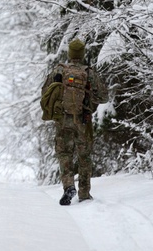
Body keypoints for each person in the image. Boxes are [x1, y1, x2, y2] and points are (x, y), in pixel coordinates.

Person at [41, 38, 108, 205]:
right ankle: (84, 193)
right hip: (83, 121)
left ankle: (68, 186)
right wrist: (89, 98)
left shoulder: (59, 70)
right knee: (84, 156)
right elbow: (104, 96)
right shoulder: (89, 73)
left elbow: (45, 92)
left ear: (69, 54)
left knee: (64, 154)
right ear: (82, 54)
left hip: (62, 119)